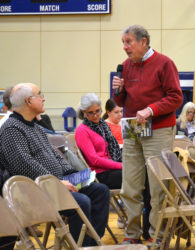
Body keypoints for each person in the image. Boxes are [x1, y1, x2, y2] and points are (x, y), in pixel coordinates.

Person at [0, 83, 110, 247]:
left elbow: (55, 156)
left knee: (100, 191)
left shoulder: (35, 127)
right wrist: (56, 183)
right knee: (81, 201)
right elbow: (24, 165)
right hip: (33, 193)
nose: (43, 98)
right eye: (40, 95)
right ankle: (79, 246)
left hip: (53, 185)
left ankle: (91, 244)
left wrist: (73, 175)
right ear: (29, 101)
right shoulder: (11, 129)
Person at [112, 24, 183, 246]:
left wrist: (151, 109)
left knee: (157, 186)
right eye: (123, 42)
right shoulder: (126, 66)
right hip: (133, 128)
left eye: (128, 42)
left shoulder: (164, 63)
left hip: (159, 128)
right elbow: (121, 103)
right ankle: (131, 235)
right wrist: (119, 92)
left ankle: (156, 234)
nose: (124, 47)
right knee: (130, 185)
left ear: (144, 42)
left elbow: (176, 97)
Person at [75, 93, 122, 189]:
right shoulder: (82, 131)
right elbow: (94, 160)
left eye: (98, 111)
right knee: (136, 177)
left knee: (140, 172)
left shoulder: (103, 125)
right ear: (84, 112)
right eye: (91, 113)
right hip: (100, 174)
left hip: (111, 168)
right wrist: (120, 165)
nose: (95, 116)